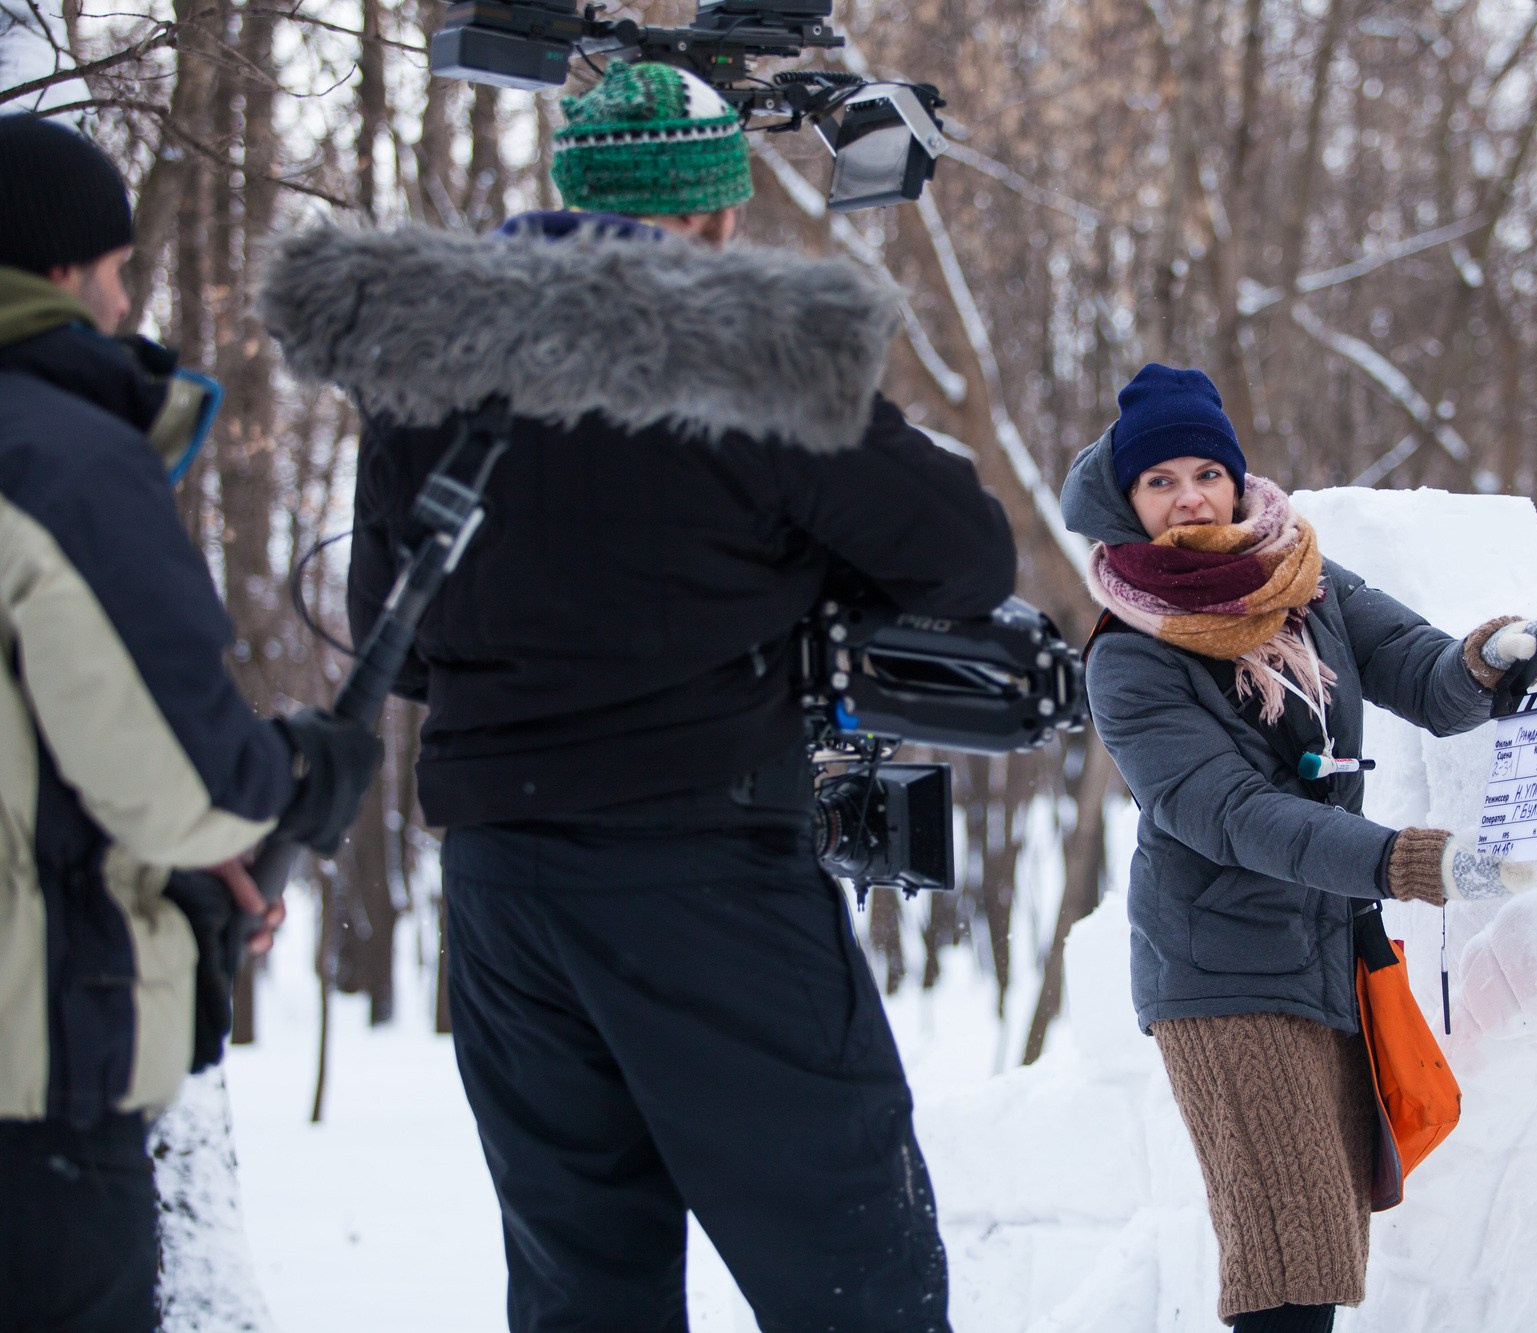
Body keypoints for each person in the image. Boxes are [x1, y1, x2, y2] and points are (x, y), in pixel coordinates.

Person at [256, 61, 1016, 1333]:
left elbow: (409, 638)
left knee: (580, 1283)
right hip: (700, 866)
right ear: (711, 212)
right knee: (849, 1261)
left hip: (502, 888)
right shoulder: (749, 352)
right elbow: (963, 554)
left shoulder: (422, 365)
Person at [1060, 364, 1537, 1332]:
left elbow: (1427, 677)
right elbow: (1225, 811)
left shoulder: (1304, 578)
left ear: (1233, 477)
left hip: (1323, 957)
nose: (1188, 497)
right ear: (1127, 503)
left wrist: (1497, 653)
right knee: (1287, 1267)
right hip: (1219, 975)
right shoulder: (1129, 652)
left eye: (1202, 472)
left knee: (1318, 1256)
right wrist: (1409, 861)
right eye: (1158, 481)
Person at [0, 116, 381, 1331]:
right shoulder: (57, 457)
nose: (124, 308)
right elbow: (184, 780)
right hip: (32, 1098)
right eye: (116, 272)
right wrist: (291, 776)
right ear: (59, 269)